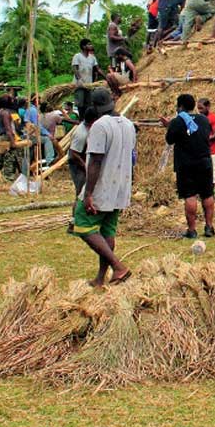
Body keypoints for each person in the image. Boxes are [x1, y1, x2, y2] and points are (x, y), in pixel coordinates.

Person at [73, 87, 136, 286]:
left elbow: (96, 161)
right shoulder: (128, 124)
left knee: (83, 225)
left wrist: (88, 193)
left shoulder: (100, 125)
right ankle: (101, 278)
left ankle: (118, 267)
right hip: (121, 185)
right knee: (107, 230)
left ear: (95, 107)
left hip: (103, 185)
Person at [164, 93, 215, 239]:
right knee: (207, 194)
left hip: (186, 164)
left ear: (180, 106)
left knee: (190, 195)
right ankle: (209, 227)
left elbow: (170, 140)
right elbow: (203, 135)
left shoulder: (177, 121)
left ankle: (192, 230)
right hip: (204, 162)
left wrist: (169, 126)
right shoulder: (204, 120)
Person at [67, 107, 98, 231]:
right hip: (77, 165)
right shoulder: (81, 133)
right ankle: (73, 222)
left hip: (83, 162)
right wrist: (86, 167)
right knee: (80, 193)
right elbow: (74, 153)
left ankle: (85, 218)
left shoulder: (88, 128)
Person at [0, 94, 25, 181]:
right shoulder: (5, 113)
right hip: (7, 137)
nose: (13, 101)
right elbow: (8, 129)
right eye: (11, 100)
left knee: (1, 157)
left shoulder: (2, 111)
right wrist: (12, 142)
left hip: (4, 137)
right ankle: (8, 177)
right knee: (10, 157)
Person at [72, 38, 100, 117]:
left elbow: (97, 69)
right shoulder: (77, 56)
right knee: (80, 104)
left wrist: (105, 78)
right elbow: (75, 69)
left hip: (89, 85)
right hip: (79, 84)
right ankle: (81, 119)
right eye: (89, 44)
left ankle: (87, 119)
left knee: (89, 104)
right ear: (84, 46)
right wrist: (79, 79)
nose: (91, 46)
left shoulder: (92, 58)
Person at [197, 98, 215, 180]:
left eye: (201, 108)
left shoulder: (214, 118)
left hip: (212, 151)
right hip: (201, 152)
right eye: (198, 108)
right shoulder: (198, 119)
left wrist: (203, 139)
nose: (200, 111)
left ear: (208, 107)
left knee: (212, 176)